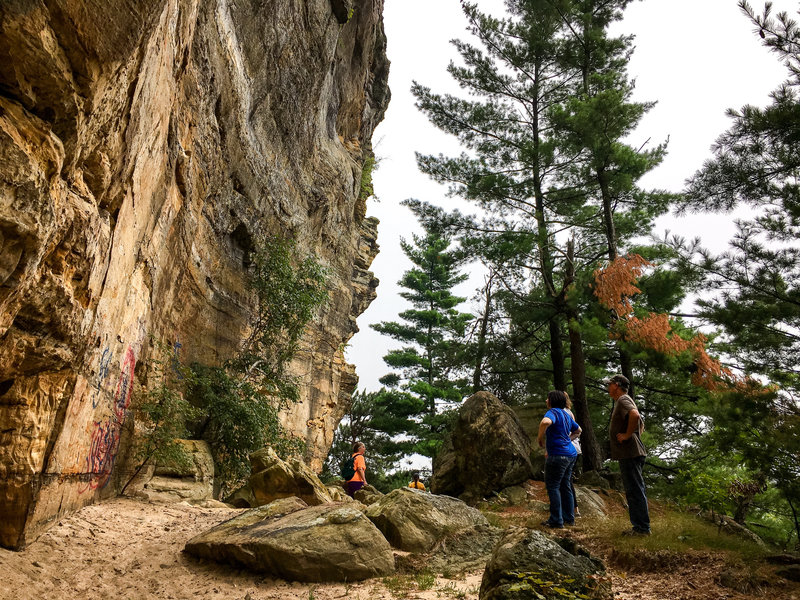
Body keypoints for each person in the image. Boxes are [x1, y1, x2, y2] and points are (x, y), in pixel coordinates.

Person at [607, 374, 651, 535]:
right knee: (634, 489)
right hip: (630, 452)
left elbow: (636, 416)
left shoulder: (623, 400)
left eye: (610, 384)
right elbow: (641, 424)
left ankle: (642, 528)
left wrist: (627, 435)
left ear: (617, 385)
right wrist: (634, 433)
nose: (607, 387)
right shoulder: (624, 400)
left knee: (635, 490)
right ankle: (639, 527)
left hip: (630, 453)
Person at [537, 390, 582, 528]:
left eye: (547, 398)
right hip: (571, 455)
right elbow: (579, 430)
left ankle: (556, 520)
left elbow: (545, 422)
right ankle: (569, 519)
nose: (546, 401)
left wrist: (539, 438)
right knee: (565, 486)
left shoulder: (553, 412)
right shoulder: (566, 414)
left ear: (552, 401)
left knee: (553, 486)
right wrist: (567, 440)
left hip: (557, 455)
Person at [564, 393, 582, 517]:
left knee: (566, 481)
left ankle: (572, 510)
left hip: (569, 449)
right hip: (575, 449)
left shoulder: (563, 413)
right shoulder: (568, 412)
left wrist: (565, 440)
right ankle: (574, 509)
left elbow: (577, 431)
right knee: (567, 480)